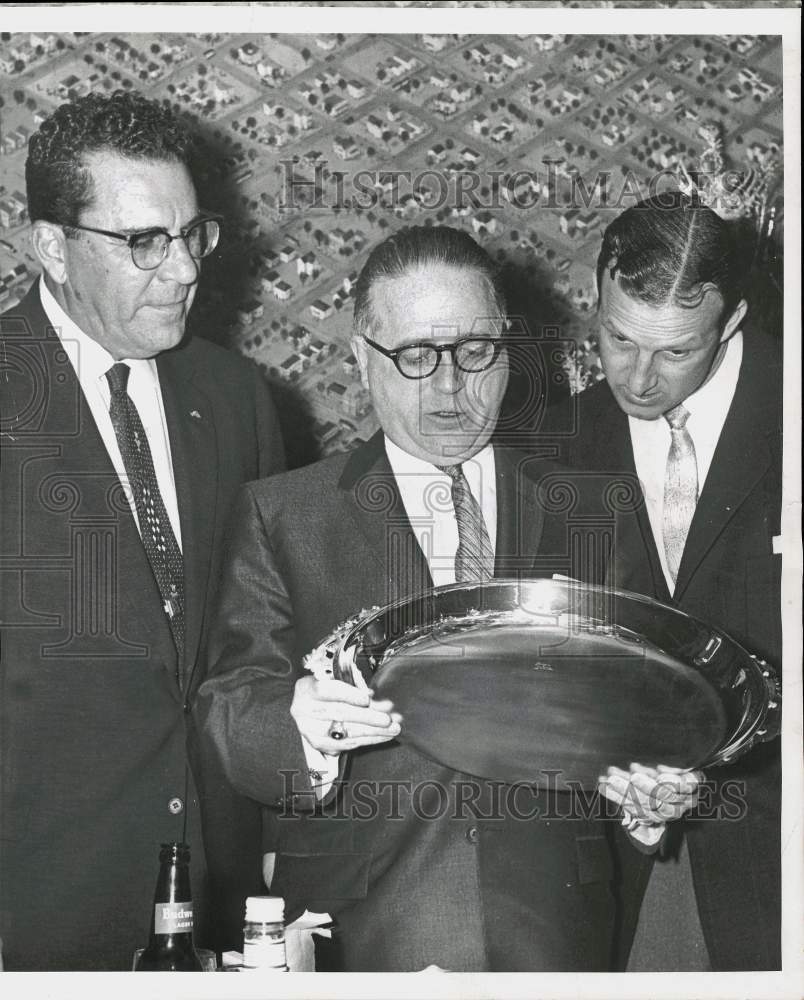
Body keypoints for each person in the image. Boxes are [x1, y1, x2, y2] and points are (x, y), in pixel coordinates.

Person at [195, 224, 694, 972]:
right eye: (417, 357)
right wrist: (299, 721)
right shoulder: (283, 515)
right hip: (360, 930)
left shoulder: (596, 512)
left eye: (474, 353)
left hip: (557, 928)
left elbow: (638, 714)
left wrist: (647, 798)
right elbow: (230, 706)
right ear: (363, 360)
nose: (450, 388)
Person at [0, 91, 285, 970]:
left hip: (219, 899)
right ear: (51, 246)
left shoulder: (238, 400)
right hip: (37, 904)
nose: (183, 271)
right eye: (141, 244)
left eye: (192, 234)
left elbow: (263, 640)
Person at [548, 195, 782, 971]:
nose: (638, 379)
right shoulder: (564, 444)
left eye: (676, 351)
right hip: (620, 876)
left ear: (735, 318)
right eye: (617, 338)